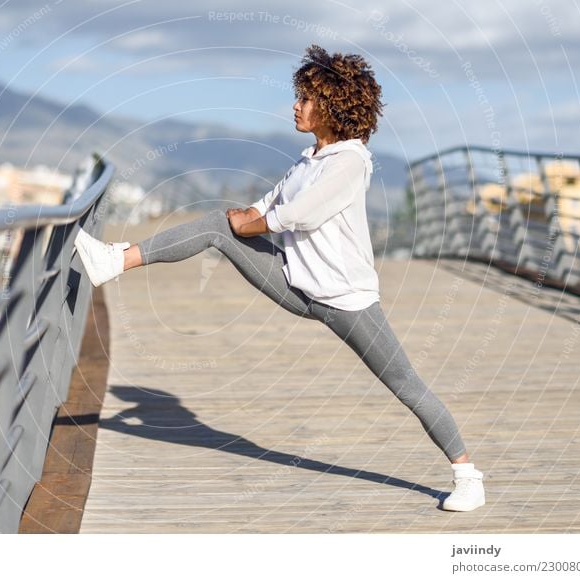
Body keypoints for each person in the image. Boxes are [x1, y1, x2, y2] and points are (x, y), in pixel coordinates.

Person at [74, 45, 485, 512]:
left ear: (332, 106)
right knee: (214, 225)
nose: (296, 105)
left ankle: (468, 476)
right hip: (296, 283)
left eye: (306, 99)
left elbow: (296, 216)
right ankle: (114, 261)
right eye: (299, 97)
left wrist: (250, 223)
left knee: (406, 384)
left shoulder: (349, 161)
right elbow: (264, 206)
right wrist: (243, 217)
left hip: (346, 300)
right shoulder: (309, 159)